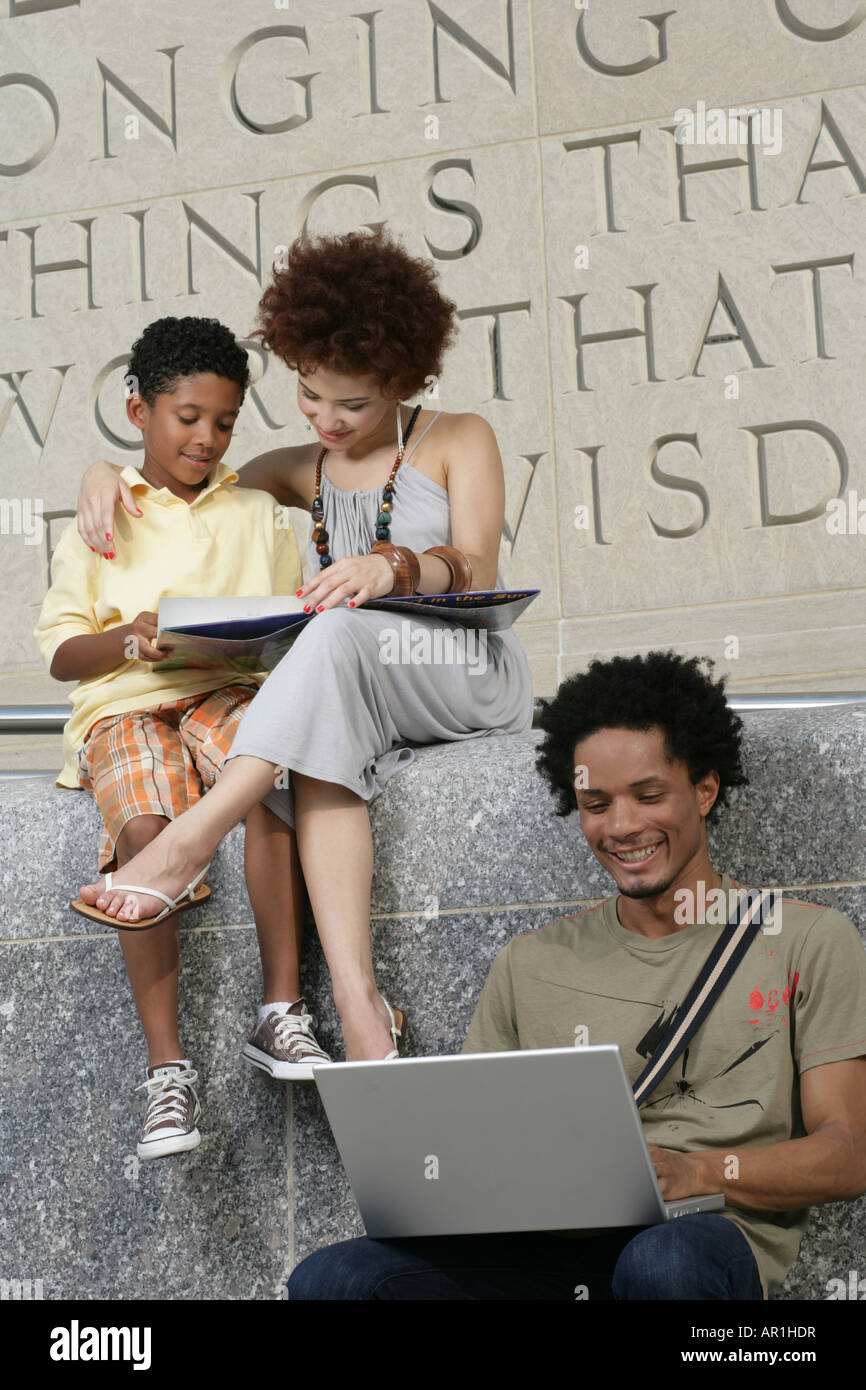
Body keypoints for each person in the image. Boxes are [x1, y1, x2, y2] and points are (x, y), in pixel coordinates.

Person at [72, 227, 534, 1065]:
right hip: (356, 680)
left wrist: (389, 568)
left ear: (404, 381)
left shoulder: (460, 437)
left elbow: (475, 570)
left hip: (459, 669)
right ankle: (362, 1011)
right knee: (315, 753)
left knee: (335, 630)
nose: (326, 419)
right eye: (309, 396)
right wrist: (102, 470)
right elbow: (183, 478)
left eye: (351, 405)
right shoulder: (300, 468)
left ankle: (189, 841)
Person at [285, 651, 866, 1300]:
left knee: (661, 1264)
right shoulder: (529, 963)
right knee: (332, 1279)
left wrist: (693, 1173)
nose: (622, 827)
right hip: (543, 1258)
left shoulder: (807, 941)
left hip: (695, 1242)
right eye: (597, 803)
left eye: (649, 796)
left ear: (705, 789)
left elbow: (848, 1153)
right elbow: (472, 1149)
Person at [33, 315, 329, 1161]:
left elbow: (290, 626)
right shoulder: (103, 516)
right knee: (144, 829)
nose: (206, 437)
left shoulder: (260, 515)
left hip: (229, 688)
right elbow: (62, 654)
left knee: (273, 779)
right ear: (138, 412)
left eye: (226, 421)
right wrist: (134, 634)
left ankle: (282, 1011)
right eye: (186, 417)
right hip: (125, 702)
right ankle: (168, 1072)